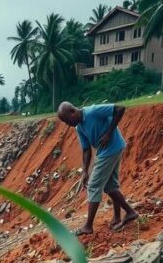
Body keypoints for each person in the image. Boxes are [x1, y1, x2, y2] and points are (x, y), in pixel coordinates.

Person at [57, 101, 138, 236]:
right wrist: (84, 172)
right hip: (109, 150)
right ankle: (123, 214)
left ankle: (88, 226)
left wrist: (109, 133)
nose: (67, 124)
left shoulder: (93, 111)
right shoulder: (79, 127)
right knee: (110, 185)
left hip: (111, 149)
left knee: (94, 186)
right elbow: (86, 150)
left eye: (66, 120)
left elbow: (120, 109)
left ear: (72, 111)